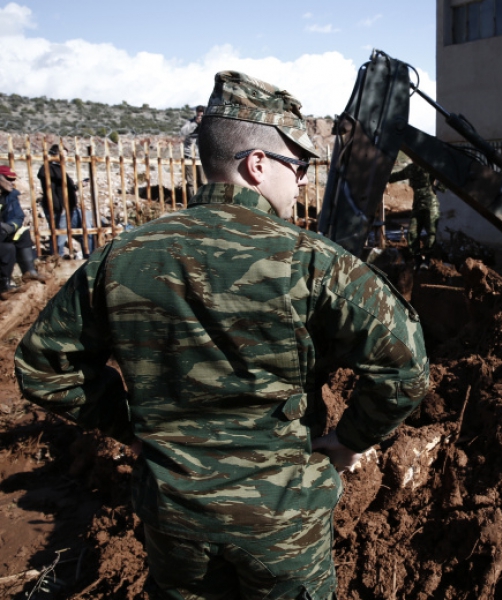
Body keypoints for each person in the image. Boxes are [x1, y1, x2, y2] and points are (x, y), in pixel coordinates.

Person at [15, 71, 430, 600]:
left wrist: (131, 429)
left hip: (174, 520)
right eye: (297, 165)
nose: (302, 180)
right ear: (258, 164)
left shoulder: (123, 255)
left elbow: (42, 366)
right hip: (282, 525)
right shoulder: (314, 262)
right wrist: (350, 440)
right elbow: (407, 367)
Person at [37, 144, 94, 257]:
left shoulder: (59, 169)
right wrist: (59, 209)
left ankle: (89, 258)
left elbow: (65, 188)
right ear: (54, 154)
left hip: (69, 208)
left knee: (86, 232)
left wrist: (79, 185)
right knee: (59, 236)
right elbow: (51, 192)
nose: (65, 158)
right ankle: (58, 261)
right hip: (60, 210)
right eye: (62, 155)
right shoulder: (47, 169)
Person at [0, 165, 46, 300]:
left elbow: (18, 216)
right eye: (8, 179)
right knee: (8, 249)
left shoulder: (11, 196)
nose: (12, 182)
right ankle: (4, 286)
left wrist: (11, 227)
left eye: (13, 179)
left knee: (23, 233)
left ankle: (29, 272)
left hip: (3, 231)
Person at [388, 162, 443, 257]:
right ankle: (417, 259)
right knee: (412, 233)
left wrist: (438, 188)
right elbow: (397, 176)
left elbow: (444, 176)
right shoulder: (411, 168)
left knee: (431, 233)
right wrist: (383, 177)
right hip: (417, 205)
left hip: (431, 205)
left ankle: (428, 259)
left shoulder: (430, 166)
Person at [181, 104, 206, 197]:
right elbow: (183, 132)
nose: (200, 117)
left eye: (201, 115)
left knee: (202, 180)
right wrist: (195, 123)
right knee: (190, 181)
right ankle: (192, 199)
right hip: (189, 155)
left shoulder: (207, 123)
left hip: (201, 156)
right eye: (198, 114)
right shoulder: (190, 122)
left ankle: (201, 199)